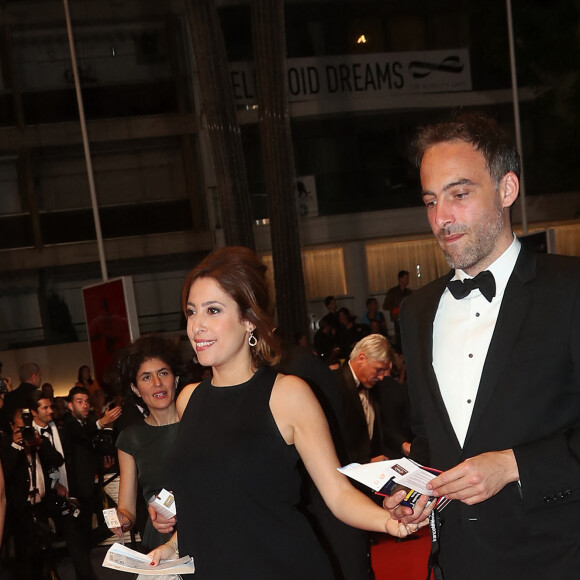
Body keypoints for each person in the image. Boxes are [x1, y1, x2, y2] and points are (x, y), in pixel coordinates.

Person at [147, 246, 430, 578]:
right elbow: (214, 504)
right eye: (192, 312)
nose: (197, 326)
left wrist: (389, 521)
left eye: (213, 311)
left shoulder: (287, 394)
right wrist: (172, 544)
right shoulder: (189, 400)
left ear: (250, 320)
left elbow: (336, 493)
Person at [390, 112, 580, 580]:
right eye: (431, 201)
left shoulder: (570, 289)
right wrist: (415, 490)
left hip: (558, 558)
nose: (442, 219)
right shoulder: (415, 313)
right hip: (456, 562)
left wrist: (516, 465)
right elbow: (430, 436)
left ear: (506, 189)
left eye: (459, 194)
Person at [114, 335, 184, 551]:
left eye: (163, 373)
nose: (157, 383)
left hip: (205, 529)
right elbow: (127, 508)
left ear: (176, 379)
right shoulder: (130, 438)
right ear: (135, 389)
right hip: (160, 537)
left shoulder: (198, 426)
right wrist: (122, 520)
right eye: (146, 377)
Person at [31, 391, 97, 580]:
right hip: (41, 497)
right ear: (34, 412)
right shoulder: (29, 435)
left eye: (51, 406)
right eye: (45, 407)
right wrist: (54, 483)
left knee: (76, 539)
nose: (50, 410)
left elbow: (67, 461)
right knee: (43, 547)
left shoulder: (61, 428)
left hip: (66, 494)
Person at [382, 270, 412, 349]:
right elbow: (385, 306)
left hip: (407, 317)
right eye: (406, 278)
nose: (408, 280)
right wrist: (396, 305)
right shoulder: (393, 292)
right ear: (400, 279)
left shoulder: (409, 292)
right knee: (399, 338)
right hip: (397, 316)